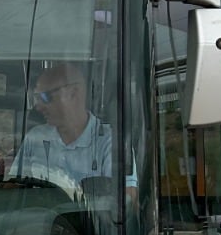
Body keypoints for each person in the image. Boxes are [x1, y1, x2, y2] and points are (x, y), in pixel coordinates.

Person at [11, 62, 135, 195]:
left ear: (73, 93)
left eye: (45, 97)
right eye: (36, 98)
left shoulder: (111, 143)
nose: (38, 106)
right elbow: (13, 190)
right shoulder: (35, 138)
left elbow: (127, 200)